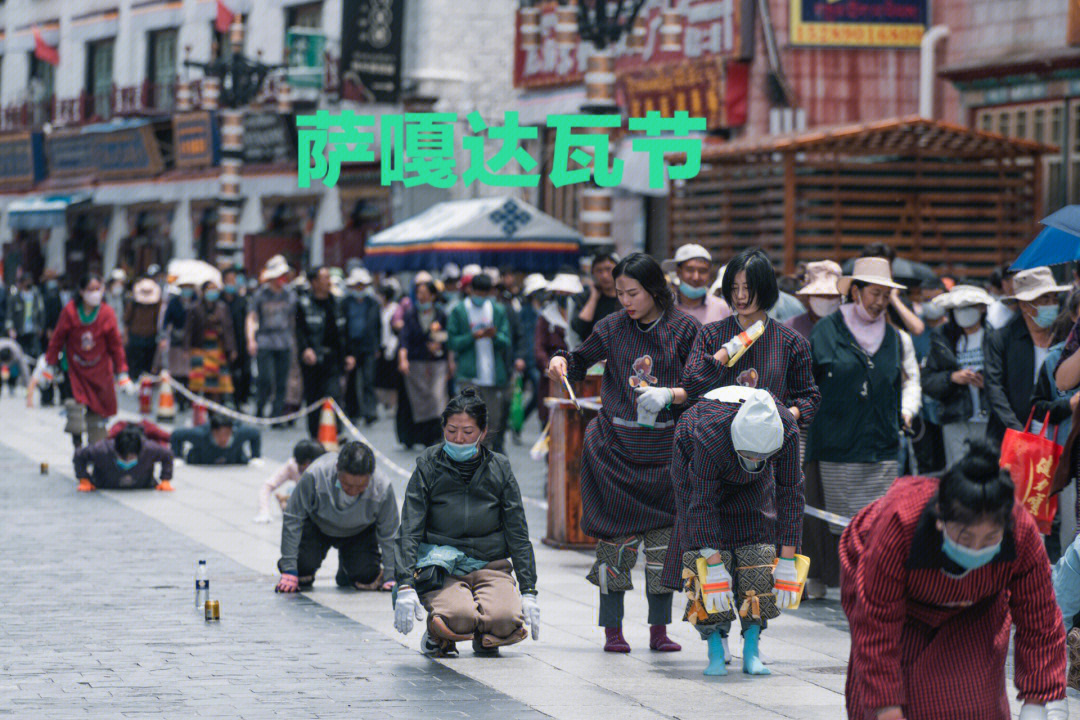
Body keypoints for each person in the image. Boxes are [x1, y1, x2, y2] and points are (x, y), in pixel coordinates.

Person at [840, 440, 1067, 720]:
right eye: (965, 538)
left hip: (978, 603)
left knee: (973, 701)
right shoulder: (899, 524)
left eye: (989, 539)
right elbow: (876, 625)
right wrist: (886, 707)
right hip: (893, 598)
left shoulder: (1021, 532)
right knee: (897, 699)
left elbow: (1040, 620)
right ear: (940, 520)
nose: (976, 548)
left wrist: (1036, 703)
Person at [547, 252, 700, 653]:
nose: (626, 301)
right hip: (615, 454)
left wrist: (672, 397)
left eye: (633, 293)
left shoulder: (684, 329)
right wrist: (561, 361)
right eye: (619, 293)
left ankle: (659, 630)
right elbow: (579, 360)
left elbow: (702, 382)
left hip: (666, 456)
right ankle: (612, 631)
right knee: (613, 550)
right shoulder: (612, 327)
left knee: (664, 551)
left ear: (654, 290)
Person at [665, 387, 803, 676]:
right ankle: (715, 646)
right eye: (748, 456)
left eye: (760, 458)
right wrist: (714, 565)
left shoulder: (786, 430)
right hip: (700, 479)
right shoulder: (706, 434)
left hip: (753, 491)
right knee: (704, 572)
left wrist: (788, 558)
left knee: (759, 560)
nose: (753, 462)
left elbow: (791, 493)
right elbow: (700, 503)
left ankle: (752, 648)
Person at [393, 388, 539, 657]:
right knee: (458, 617)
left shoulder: (500, 468)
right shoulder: (428, 464)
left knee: (506, 622)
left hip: (490, 563)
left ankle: (484, 633)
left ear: (483, 432)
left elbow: (518, 532)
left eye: (468, 432)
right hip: (442, 565)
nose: (459, 439)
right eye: (451, 430)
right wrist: (404, 584)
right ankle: (441, 634)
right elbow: (410, 527)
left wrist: (529, 589)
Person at [807, 257, 906, 530]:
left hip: (882, 452)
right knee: (843, 532)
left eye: (886, 295)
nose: (880, 301)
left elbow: (898, 384)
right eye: (875, 293)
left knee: (881, 530)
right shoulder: (826, 330)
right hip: (838, 452)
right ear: (855, 292)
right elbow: (806, 385)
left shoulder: (893, 336)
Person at [683, 247, 820, 430]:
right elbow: (691, 386)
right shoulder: (710, 334)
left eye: (748, 288)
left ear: (765, 288)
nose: (740, 296)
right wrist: (726, 352)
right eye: (734, 288)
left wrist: (783, 416)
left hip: (767, 442)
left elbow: (809, 398)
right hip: (715, 440)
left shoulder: (791, 341)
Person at [276, 440, 398, 593]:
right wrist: (289, 569)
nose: (353, 491)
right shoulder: (315, 474)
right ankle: (303, 567)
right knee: (301, 569)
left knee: (366, 576)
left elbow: (390, 532)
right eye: (347, 485)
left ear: (370, 476)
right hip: (318, 527)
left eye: (360, 487)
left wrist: (391, 576)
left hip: (359, 531)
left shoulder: (382, 486)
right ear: (337, 469)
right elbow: (293, 517)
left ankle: (347, 568)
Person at [44, 273, 133, 449]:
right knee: (75, 415)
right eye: (91, 289)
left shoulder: (107, 313)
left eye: (98, 289)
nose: (95, 293)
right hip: (75, 369)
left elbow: (116, 345)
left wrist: (122, 372)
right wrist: (49, 365)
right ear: (82, 291)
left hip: (100, 371)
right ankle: (78, 449)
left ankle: (95, 452)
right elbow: (57, 339)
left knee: (97, 416)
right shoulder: (70, 311)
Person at [985, 266, 1072, 446]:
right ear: (1025, 304)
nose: (1052, 304)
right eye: (1044, 299)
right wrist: (1016, 430)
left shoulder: (1066, 338)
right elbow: (995, 389)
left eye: (1054, 298)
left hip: (1058, 430)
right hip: (1011, 433)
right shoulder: (1001, 339)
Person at [923, 285, 996, 467]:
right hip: (955, 417)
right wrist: (952, 378)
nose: (964, 312)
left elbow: (1009, 378)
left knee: (987, 468)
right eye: (958, 308)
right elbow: (928, 381)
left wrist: (988, 383)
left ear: (982, 308)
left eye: (969, 306)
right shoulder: (942, 339)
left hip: (989, 418)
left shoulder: (996, 337)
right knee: (958, 471)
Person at [447, 274, 512, 453]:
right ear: (471, 290)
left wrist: (494, 335)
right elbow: (452, 341)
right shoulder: (460, 310)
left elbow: (506, 341)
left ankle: (485, 452)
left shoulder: (497, 310)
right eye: (478, 292)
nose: (481, 297)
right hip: (469, 374)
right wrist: (472, 336)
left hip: (492, 374)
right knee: (468, 416)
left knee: (493, 419)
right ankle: (467, 453)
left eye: (485, 293)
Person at [295, 266, 354, 438]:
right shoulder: (304, 304)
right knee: (314, 398)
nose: (329, 281)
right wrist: (305, 349)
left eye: (329, 277)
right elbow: (300, 331)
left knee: (334, 394)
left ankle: (336, 433)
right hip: (313, 359)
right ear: (314, 282)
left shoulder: (338, 303)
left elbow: (345, 331)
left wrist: (350, 354)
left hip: (334, 358)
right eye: (325, 278)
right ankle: (315, 435)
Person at [397, 278, 450, 449]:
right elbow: (404, 339)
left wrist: (438, 344)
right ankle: (418, 436)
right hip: (416, 361)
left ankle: (436, 435)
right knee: (419, 399)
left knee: (437, 397)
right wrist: (403, 358)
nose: (421, 297)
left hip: (437, 362)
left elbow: (446, 337)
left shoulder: (441, 314)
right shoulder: (410, 314)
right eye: (419, 293)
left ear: (433, 296)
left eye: (425, 294)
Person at [248, 255, 296, 420]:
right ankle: (260, 407)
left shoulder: (290, 295)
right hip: (265, 341)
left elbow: (293, 319)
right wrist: (251, 339)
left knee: (282, 382)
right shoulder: (261, 295)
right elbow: (252, 317)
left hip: (284, 342)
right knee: (265, 379)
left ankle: (277, 414)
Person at [534, 273, 579, 426]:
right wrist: (547, 365)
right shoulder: (546, 316)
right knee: (551, 423)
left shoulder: (581, 315)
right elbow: (539, 346)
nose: (564, 296)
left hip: (578, 375)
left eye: (568, 294)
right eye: (561, 293)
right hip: (552, 376)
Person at [73, 425, 174, 492]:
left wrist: (165, 479)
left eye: (131, 457)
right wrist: (84, 479)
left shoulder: (149, 449)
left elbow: (168, 455)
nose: (127, 460)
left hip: (143, 485)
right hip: (104, 484)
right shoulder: (102, 450)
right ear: (116, 450)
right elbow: (79, 455)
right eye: (123, 457)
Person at [184, 281, 237, 400]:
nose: (212, 292)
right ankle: (197, 411)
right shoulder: (195, 307)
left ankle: (215, 413)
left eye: (214, 289)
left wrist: (232, 348)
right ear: (203, 291)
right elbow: (189, 329)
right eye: (209, 289)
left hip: (217, 348)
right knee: (198, 382)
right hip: (200, 347)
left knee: (216, 383)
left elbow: (229, 329)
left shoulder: (222, 307)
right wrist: (186, 348)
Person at [253, 438, 326, 523]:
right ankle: (287, 501)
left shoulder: (327, 467)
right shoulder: (292, 466)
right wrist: (264, 512)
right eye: (306, 464)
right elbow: (267, 486)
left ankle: (285, 500)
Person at [343, 267, 381, 425]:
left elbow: (378, 326)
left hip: (368, 345)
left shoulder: (373, 303)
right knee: (351, 380)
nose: (359, 289)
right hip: (351, 346)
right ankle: (353, 412)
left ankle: (369, 411)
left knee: (368, 379)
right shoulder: (345, 303)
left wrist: (378, 346)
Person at [662, 244, 730, 325]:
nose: (696, 277)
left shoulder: (723, 309)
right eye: (690, 270)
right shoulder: (664, 307)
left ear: (709, 273)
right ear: (678, 272)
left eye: (702, 271)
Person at [570, 252, 620, 348]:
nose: (604, 275)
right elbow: (579, 327)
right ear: (593, 273)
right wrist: (594, 297)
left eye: (608, 269)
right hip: (593, 354)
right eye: (599, 271)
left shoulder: (627, 296)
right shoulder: (584, 297)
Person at [170, 413, 261, 465]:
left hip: (235, 462)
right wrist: (177, 457)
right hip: (201, 462)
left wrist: (255, 457)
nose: (223, 438)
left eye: (227, 434)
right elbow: (176, 435)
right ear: (212, 432)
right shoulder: (201, 435)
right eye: (218, 435)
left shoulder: (239, 434)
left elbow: (255, 434)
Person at [518, 273, 547, 429]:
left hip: (540, 359)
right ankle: (518, 420)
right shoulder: (524, 312)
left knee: (539, 394)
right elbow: (522, 336)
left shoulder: (546, 310)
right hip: (528, 359)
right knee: (534, 392)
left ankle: (520, 421)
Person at [787, 260, 842, 339]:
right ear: (808, 297)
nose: (826, 300)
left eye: (832, 295)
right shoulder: (792, 327)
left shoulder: (849, 327)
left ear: (840, 298)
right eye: (820, 295)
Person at [221, 268, 251, 410]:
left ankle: (239, 402)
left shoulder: (241, 301)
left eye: (234, 280)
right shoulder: (220, 301)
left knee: (243, 374)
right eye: (229, 280)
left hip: (241, 342)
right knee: (225, 374)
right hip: (224, 343)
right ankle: (224, 402)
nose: (232, 283)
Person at [124, 278, 162, 381]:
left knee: (148, 363)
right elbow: (127, 320)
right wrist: (126, 336)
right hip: (135, 336)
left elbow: (159, 321)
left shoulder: (157, 305)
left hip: (150, 336)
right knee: (134, 362)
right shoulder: (133, 304)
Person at [162, 283, 194, 408]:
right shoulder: (174, 302)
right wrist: (164, 338)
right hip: (176, 339)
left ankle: (189, 399)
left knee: (189, 372)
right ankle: (179, 398)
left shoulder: (196, 301)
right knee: (176, 371)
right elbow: (166, 321)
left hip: (191, 340)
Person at [374, 283, 401, 412]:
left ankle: (392, 403)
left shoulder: (395, 308)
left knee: (392, 377)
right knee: (380, 376)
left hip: (392, 345)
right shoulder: (378, 308)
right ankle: (382, 402)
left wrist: (392, 346)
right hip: (381, 345)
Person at [7, 272, 44, 357]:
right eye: (26, 281)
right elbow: (9, 314)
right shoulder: (15, 298)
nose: (28, 283)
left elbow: (41, 312)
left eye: (29, 280)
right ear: (22, 283)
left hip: (33, 330)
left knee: (36, 354)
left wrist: (41, 326)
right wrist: (10, 328)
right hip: (20, 331)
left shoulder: (36, 296)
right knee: (20, 355)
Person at [987, 265, 1019, 330]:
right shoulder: (992, 311)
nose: (1021, 284)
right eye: (1016, 280)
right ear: (1004, 283)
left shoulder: (1031, 306)